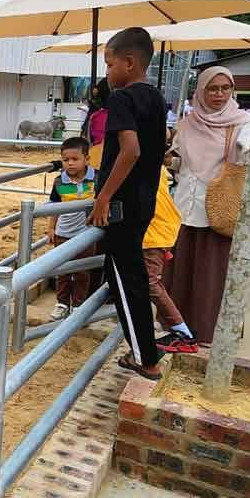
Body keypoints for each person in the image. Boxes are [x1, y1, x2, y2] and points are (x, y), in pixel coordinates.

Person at [86, 27, 167, 379]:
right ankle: (145, 348)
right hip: (144, 200)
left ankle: (144, 357)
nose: (107, 72)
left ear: (129, 63)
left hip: (121, 204)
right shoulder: (156, 98)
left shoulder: (122, 98)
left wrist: (103, 196)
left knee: (125, 279)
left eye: (108, 64)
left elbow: (130, 151)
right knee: (129, 275)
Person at [164, 66, 250, 344]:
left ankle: (208, 330)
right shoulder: (187, 123)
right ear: (200, 91)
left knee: (212, 272)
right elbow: (179, 160)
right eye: (212, 89)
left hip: (218, 207)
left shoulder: (243, 123)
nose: (218, 94)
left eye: (224, 88)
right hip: (184, 205)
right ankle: (177, 325)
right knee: (180, 269)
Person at [144, 163, 197, 353]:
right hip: (157, 231)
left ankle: (183, 333)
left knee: (150, 283)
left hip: (153, 234)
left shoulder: (140, 164)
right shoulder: (154, 165)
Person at [47, 137, 97, 320]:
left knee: (82, 271)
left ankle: (78, 305)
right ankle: (62, 303)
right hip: (63, 233)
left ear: (87, 159)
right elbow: (54, 205)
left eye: (75, 159)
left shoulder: (96, 178)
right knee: (62, 271)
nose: (70, 163)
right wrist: (51, 228)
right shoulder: (59, 181)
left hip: (85, 234)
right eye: (66, 159)